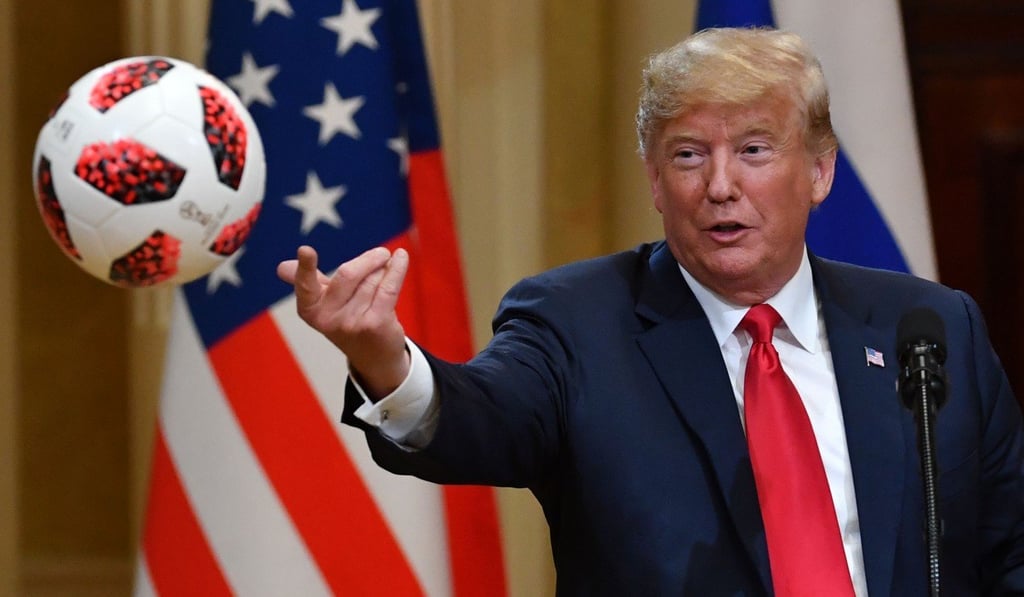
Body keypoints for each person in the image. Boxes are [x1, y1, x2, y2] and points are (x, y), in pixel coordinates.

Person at [277, 27, 1024, 596]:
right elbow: (479, 419)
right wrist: (383, 356)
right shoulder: (577, 322)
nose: (721, 185)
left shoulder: (930, 329)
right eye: (690, 155)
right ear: (656, 181)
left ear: (821, 169)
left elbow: (1008, 552)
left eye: (755, 150)